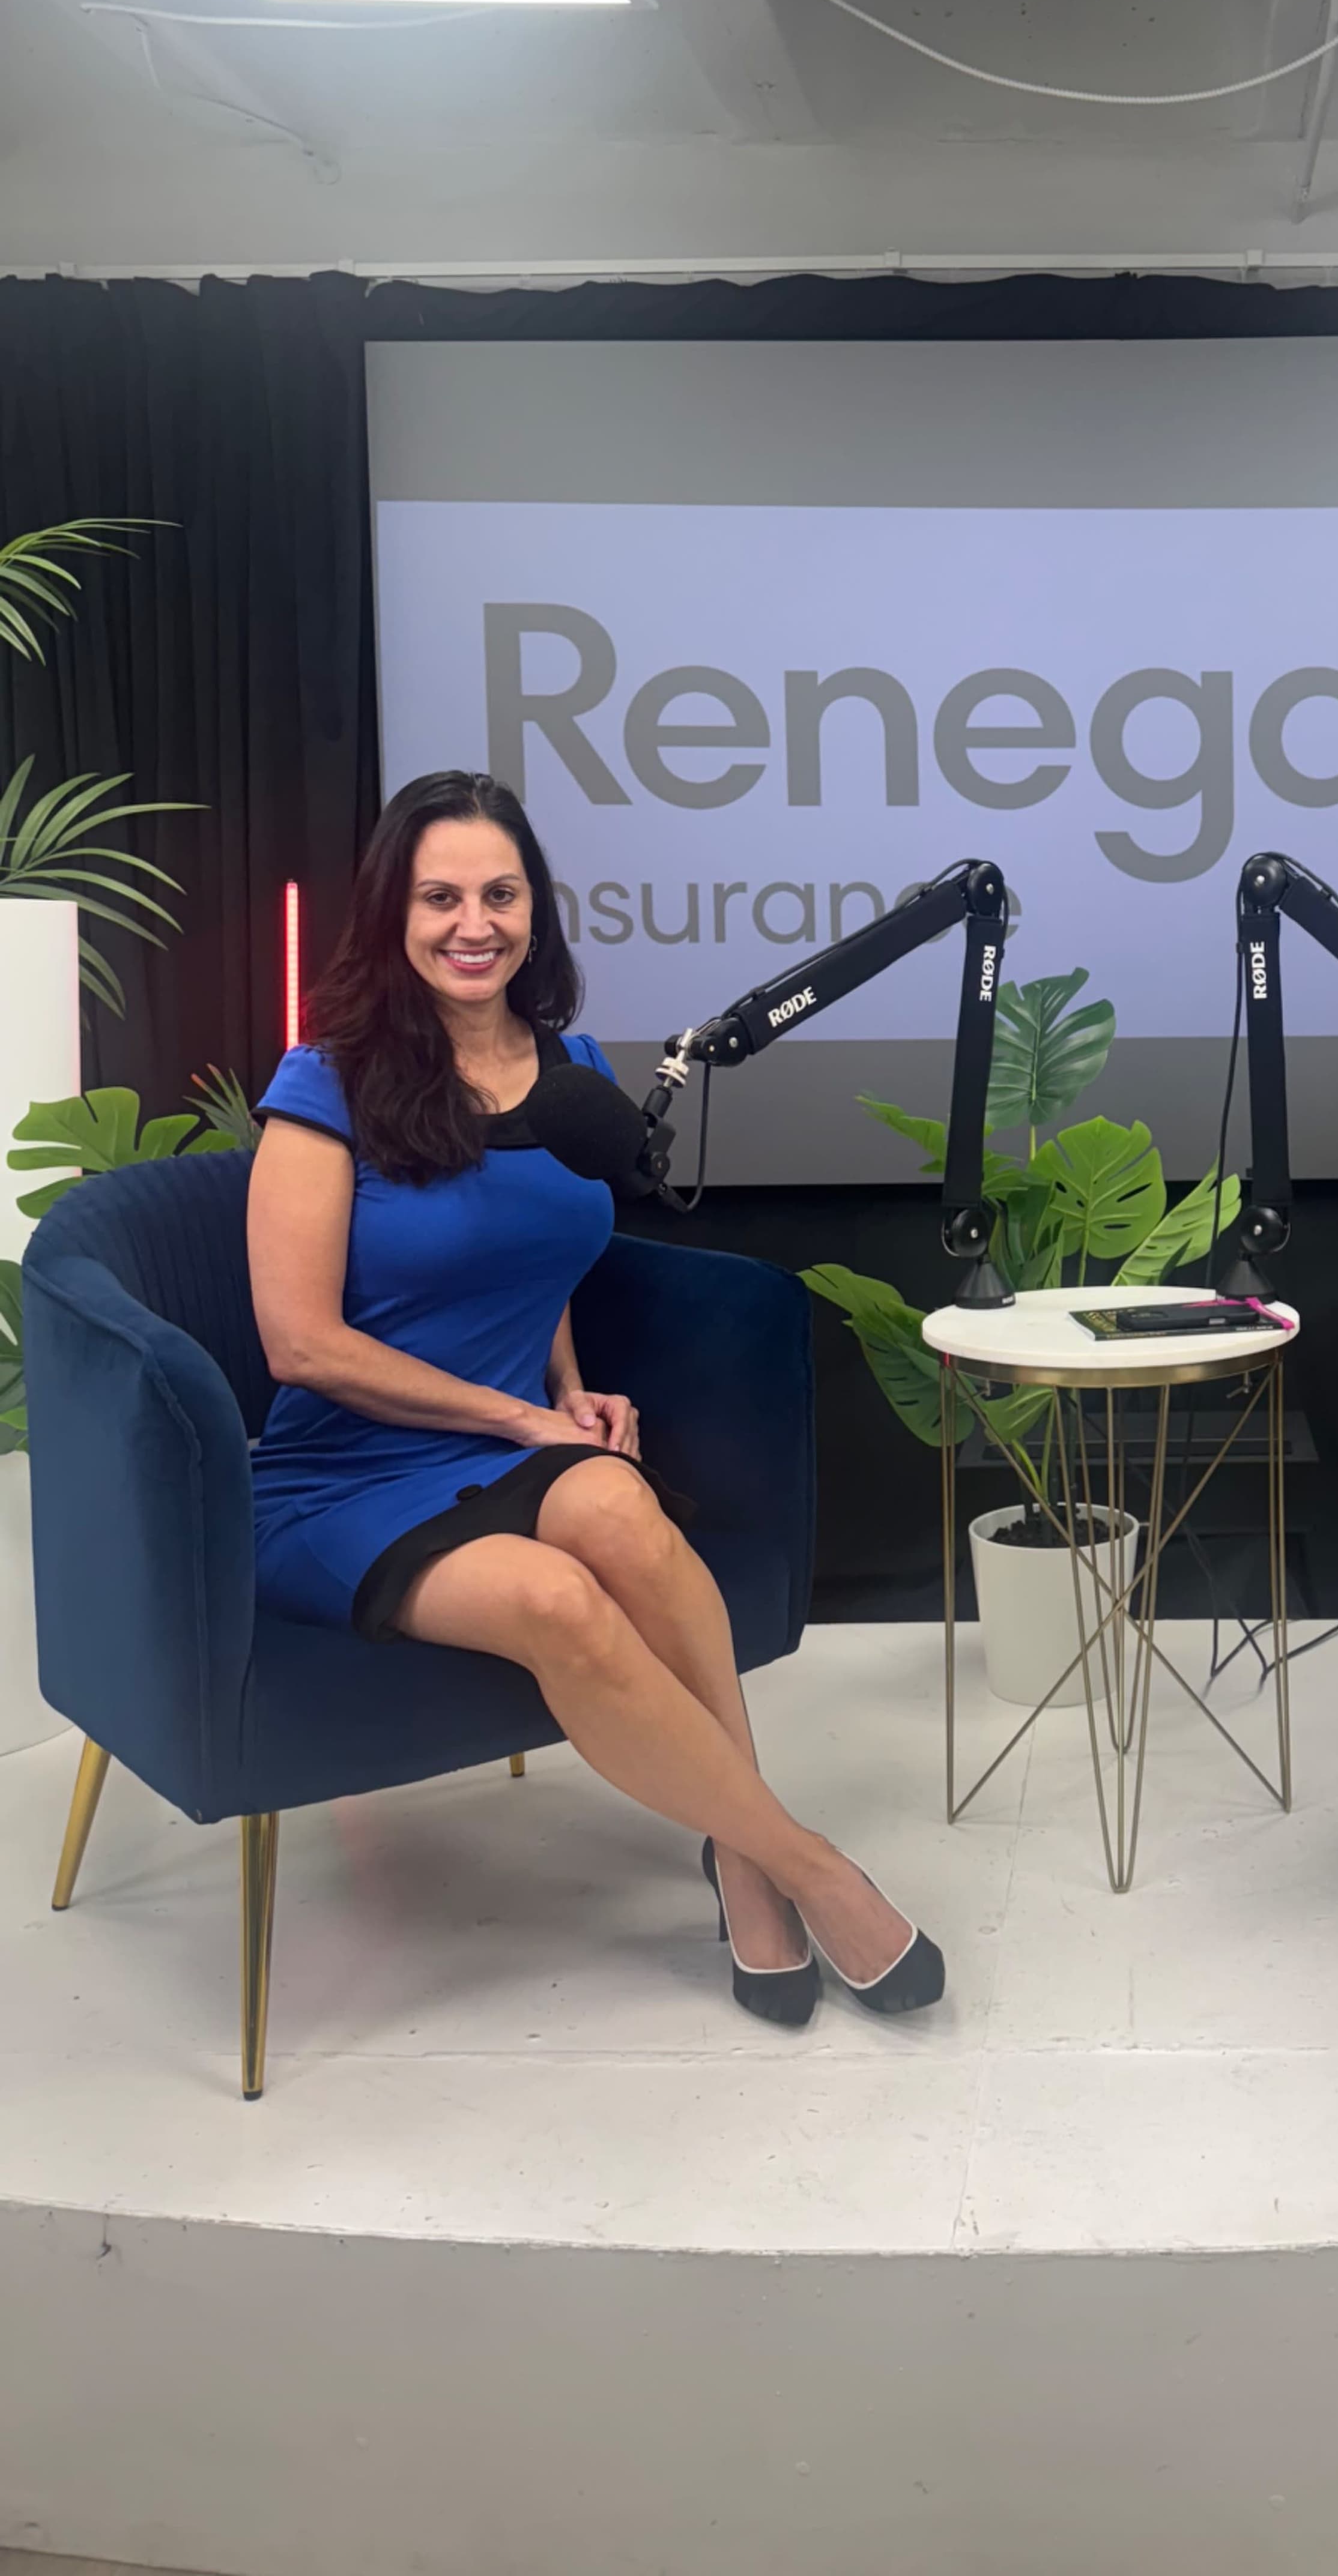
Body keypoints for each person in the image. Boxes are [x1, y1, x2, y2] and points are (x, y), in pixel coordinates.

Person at [247, 768, 941, 2029]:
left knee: (623, 1510)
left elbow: (534, 1257)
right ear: (393, 912)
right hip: (342, 1479)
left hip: (506, 1438)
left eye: (500, 894)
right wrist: (523, 1418)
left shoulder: (568, 1070)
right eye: (441, 897)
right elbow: (301, 1346)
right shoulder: (327, 1081)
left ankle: (738, 1854)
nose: (475, 924)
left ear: (537, 908)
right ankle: (803, 1864)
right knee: (558, 1597)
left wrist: (569, 1386)